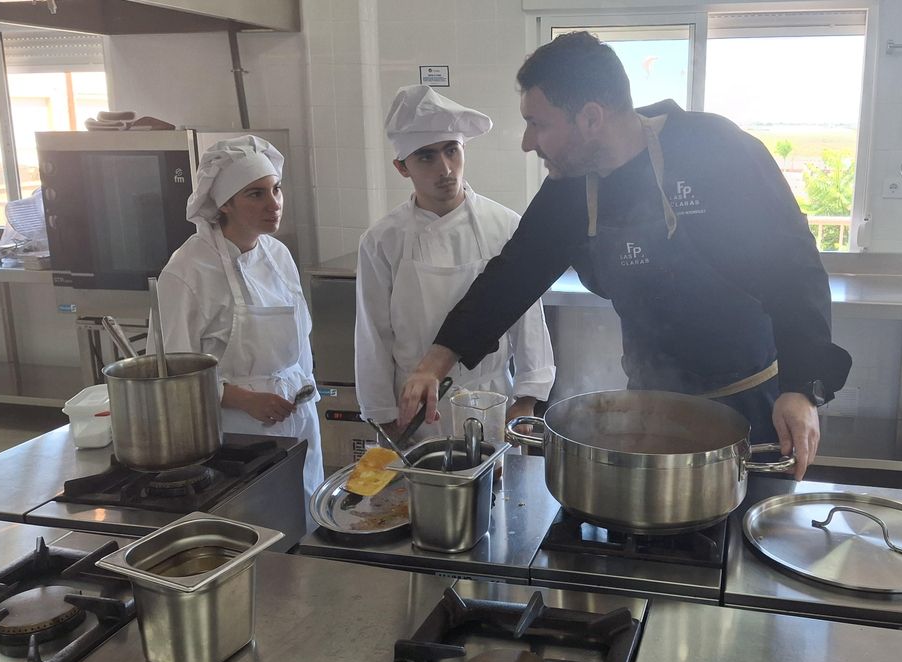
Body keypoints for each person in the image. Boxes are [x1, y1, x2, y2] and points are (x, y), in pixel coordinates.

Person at [396, 32, 851, 479]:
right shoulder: (571, 187)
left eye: (539, 124)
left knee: (743, 539)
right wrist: (435, 361)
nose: (528, 143)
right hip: (652, 406)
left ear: (591, 118)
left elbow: (793, 268)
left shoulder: (716, 151)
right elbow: (514, 273)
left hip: (752, 402)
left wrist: (802, 389)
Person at [355, 85, 555, 441]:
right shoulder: (382, 240)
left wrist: (526, 400)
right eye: (426, 157)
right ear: (402, 167)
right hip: (414, 414)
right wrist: (383, 417)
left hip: (491, 401)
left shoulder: (505, 225)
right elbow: (373, 335)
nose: (446, 169)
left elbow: (526, 317)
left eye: (452, 150)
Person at [152, 134, 324, 503]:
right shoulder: (187, 271)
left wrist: (306, 390)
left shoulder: (277, 254)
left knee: (306, 511)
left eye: (276, 189)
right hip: (236, 429)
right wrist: (244, 399)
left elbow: (301, 339)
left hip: (297, 416)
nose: (273, 204)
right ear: (225, 204)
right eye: (256, 194)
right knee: (259, 519)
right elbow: (171, 373)